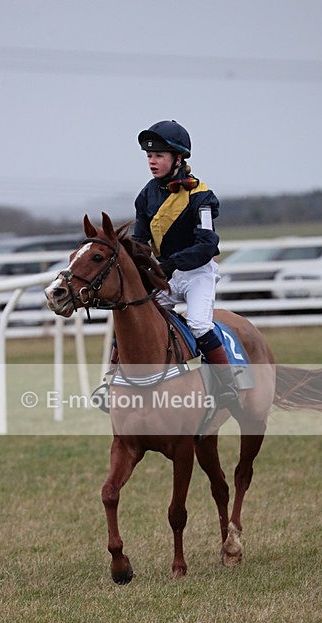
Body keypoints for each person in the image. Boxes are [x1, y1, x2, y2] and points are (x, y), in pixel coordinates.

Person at [132, 119, 242, 414]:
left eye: (159, 156)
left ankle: (227, 385)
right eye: (149, 156)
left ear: (178, 159)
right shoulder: (145, 195)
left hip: (197, 274)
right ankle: (113, 380)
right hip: (165, 274)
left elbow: (208, 244)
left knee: (199, 324)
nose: (152, 162)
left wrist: (171, 264)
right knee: (133, 313)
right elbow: (140, 242)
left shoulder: (201, 196)